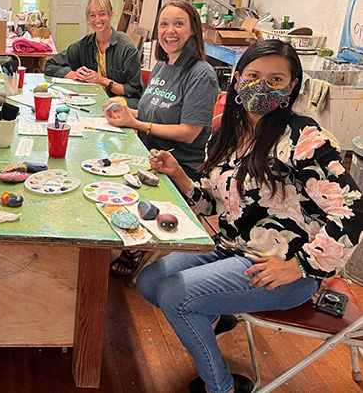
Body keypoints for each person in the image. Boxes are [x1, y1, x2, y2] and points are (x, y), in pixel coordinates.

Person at [137, 39, 363, 393]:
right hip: (230, 250)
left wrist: (301, 265)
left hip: (280, 269)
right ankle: (216, 312)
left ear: (291, 88)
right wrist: (179, 173)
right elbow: (212, 203)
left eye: (275, 80)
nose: (262, 86)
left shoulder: (305, 139)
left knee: (176, 296)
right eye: (254, 76)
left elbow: (353, 207)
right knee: (149, 283)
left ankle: (221, 387)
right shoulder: (227, 134)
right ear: (238, 79)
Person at [104, 0, 218, 277]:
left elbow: (189, 133)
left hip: (175, 166)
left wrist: (138, 124)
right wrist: (123, 112)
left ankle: (138, 244)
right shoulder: (162, 66)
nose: (170, 31)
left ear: (193, 30)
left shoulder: (201, 74)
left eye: (179, 24)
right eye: (164, 24)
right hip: (145, 155)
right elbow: (147, 112)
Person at [44, 0, 143, 108]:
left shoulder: (127, 48)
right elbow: (50, 65)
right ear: (87, 18)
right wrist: (74, 74)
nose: (97, 20)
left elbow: (134, 90)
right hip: (93, 100)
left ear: (111, 15)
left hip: (123, 104)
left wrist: (102, 80)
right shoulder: (85, 45)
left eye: (102, 14)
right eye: (92, 15)